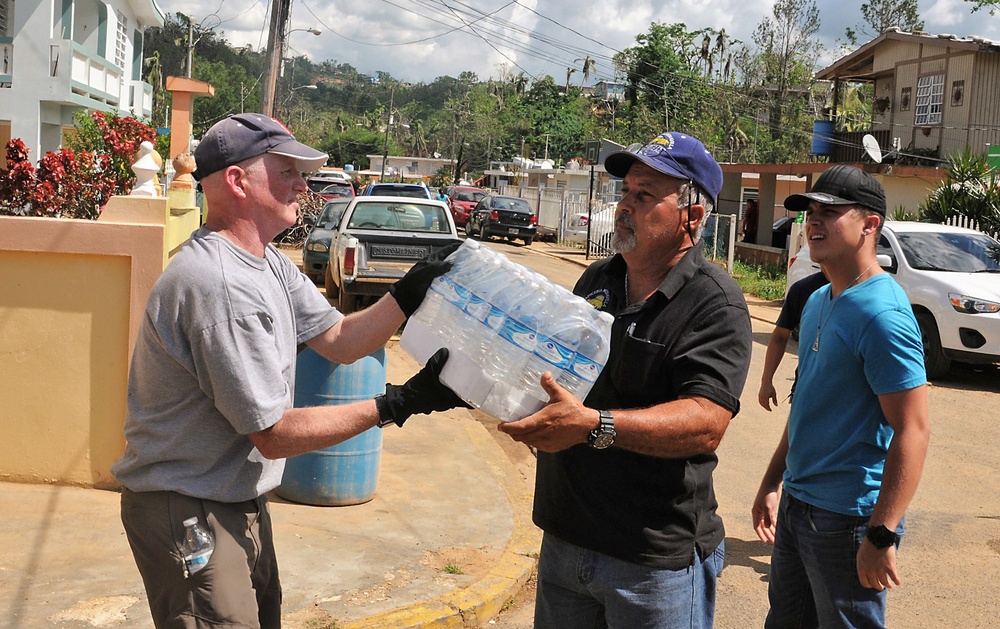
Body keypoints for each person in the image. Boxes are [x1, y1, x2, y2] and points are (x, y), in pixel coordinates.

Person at [111, 113, 465, 628]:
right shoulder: (219, 285)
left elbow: (341, 341)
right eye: (287, 171)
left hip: (233, 495)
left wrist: (407, 295)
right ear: (237, 180)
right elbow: (273, 434)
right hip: (187, 505)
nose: (303, 183)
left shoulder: (267, 261)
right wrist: (397, 403)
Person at [498, 132, 753, 628]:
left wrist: (595, 424)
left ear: (693, 217)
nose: (624, 206)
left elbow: (706, 422)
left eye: (645, 195)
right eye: (625, 192)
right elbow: (559, 375)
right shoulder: (597, 280)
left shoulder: (714, 304)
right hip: (565, 539)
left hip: (652, 563)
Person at [751, 165, 931, 629]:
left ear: (870, 224)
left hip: (846, 519)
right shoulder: (817, 299)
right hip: (798, 504)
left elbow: (913, 430)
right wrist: (773, 480)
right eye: (810, 211)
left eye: (829, 211)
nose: (813, 221)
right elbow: (808, 405)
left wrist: (881, 532)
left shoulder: (882, 314)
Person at [757, 270, 829, 411]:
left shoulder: (864, 292)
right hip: (804, 391)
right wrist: (766, 381)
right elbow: (780, 336)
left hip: (847, 400)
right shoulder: (803, 289)